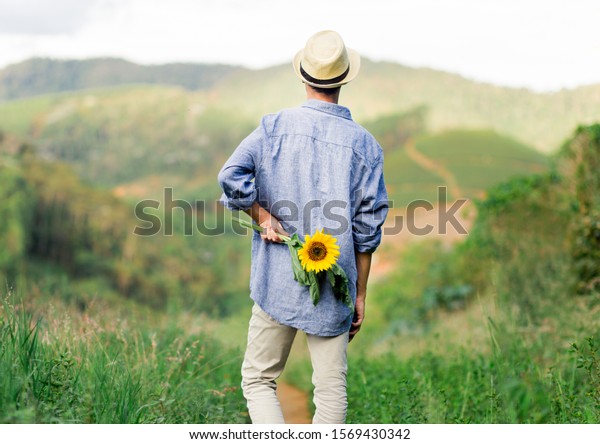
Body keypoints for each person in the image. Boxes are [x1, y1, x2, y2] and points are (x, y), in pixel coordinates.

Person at [218, 30, 388, 424]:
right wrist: (360, 294)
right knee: (331, 392)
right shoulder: (365, 146)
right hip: (335, 287)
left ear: (304, 77)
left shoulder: (274, 128)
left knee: (258, 379)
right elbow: (367, 231)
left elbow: (231, 175)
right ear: (344, 79)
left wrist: (262, 217)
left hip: (276, 281)